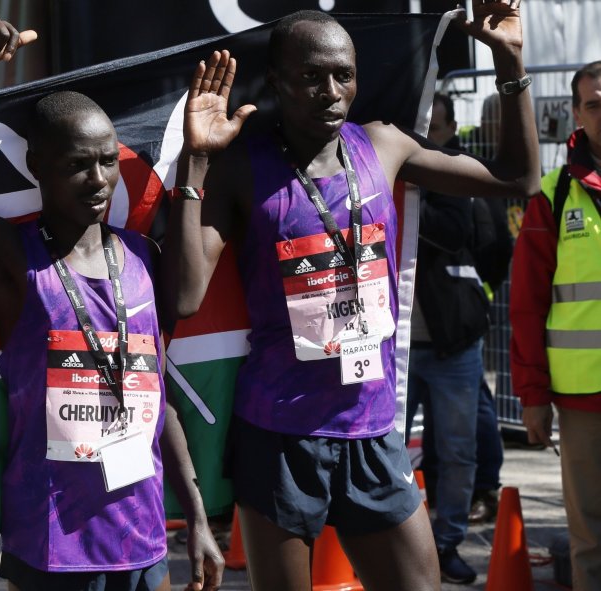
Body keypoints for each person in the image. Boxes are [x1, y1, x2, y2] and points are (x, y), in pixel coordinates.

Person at [164, 4, 538, 590]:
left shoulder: (384, 145)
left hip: (371, 433)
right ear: (278, 82)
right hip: (280, 436)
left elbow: (518, 179)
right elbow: (185, 295)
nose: (331, 92)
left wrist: (509, 60)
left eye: (343, 74)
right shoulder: (243, 168)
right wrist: (197, 162)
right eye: (311, 76)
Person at [0, 15, 223, 591]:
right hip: (52, 545)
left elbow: (159, 395)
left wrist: (197, 517)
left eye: (105, 161)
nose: (98, 179)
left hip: (144, 539)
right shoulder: (13, 257)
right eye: (77, 164)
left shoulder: (143, 257)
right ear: (37, 167)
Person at [511, 60, 601, 591]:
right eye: (594, 104)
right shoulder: (552, 193)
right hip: (582, 396)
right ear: (576, 113)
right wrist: (532, 394)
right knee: (590, 535)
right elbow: (526, 305)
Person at [404, 92, 489, 584]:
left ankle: (448, 542)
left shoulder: (455, 170)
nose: (429, 139)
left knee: (458, 450)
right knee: (386, 449)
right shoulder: (380, 168)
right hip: (397, 348)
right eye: (422, 128)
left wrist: (410, 193)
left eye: (436, 129)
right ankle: (396, 541)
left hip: (454, 341)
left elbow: (460, 234)